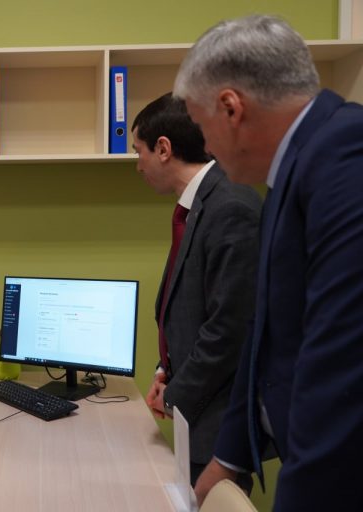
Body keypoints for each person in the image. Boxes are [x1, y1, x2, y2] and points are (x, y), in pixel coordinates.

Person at [174, 15, 363, 510]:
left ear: (230, 107)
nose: (205, 147)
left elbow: (343, 369)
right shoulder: (292, 171)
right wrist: (228, 456)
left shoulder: (345, 158)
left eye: (201, 127)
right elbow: (266, 332)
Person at [133, 93, 261, 488]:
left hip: (220, 420)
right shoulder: (200, 205)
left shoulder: (230, 206)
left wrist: (176, 394)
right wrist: (165, 371)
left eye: (138, 152)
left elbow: (228, 330)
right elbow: (189, 308)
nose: (137, 166)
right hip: (197, 408)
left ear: (163, 149)